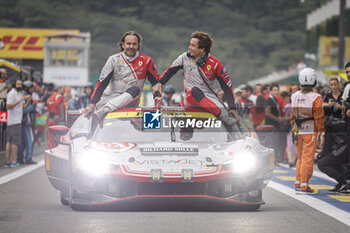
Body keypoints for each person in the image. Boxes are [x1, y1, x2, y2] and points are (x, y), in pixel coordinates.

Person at [159, 31, 238, 126]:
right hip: (190, 99)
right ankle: (221, 116)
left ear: (202, 49)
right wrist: (158, 85)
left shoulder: (215, 64)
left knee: (230, 118)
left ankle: (233, 127)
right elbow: (168, 73)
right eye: (190, 44)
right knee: (193, 91)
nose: (189, 47)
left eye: (192, 45)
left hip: (210, 98)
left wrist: (232, 107)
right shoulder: (184, 58)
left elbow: (227, 86)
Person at [84, 31, 161, 120]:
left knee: (135, 89)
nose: (131, 47)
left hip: (129, 104)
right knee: (88, 117)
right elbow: (102, 83)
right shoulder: (113, 59)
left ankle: (105, 111)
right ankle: (102, 111)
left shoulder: (147, 61)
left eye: (134, 44)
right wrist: (92, 104)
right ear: (123, 45)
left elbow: (156, 83)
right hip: (109, 99)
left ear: (138, 45)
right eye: (128, 44)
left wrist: (157, 96)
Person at [290, 67, 325, 194]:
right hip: (311, 130)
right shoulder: (316, 97)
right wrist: (322, 132)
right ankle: (305, 185)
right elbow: (319, 117)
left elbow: (292, 116)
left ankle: (298, 183)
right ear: (313, 80)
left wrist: (293, 128)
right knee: (308, 158)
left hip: (298, 130)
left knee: (300, 158)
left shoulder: (294, 96)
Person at [4, 79, 30, 168]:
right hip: (13, 121)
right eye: (18, 84)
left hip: (17, 121)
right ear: (14, 84)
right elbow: (8, 106)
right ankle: (13, 162)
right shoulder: (12, 93)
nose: (19, 85)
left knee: (10, 141)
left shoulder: (19, 94)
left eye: (21, 84)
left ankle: (8, 162)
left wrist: (28, 101)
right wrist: (20, 100)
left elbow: (23, 107)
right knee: (13, 142)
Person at [265, 83, 287, 164]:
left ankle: (274, 160)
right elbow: (267, 113)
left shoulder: (276, 100)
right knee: (272, 144)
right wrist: (278, 119)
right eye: (274, 90)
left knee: (276, 143)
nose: (276, 92)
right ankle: (271, 161)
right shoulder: (268, 100)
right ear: (270, 91)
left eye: (277, 91)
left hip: (277, 125)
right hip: (271, 125)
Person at [17, 80, 37, 165]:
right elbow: (23, 110)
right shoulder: (24, 96)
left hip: (25, 122)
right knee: (30, 140)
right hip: (25, 123)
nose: (33, 89)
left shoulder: (25, 95)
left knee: (24, 141)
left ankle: (21, 158)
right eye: (31, 88)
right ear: (27, 88)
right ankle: (28, 158)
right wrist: (33, 106)